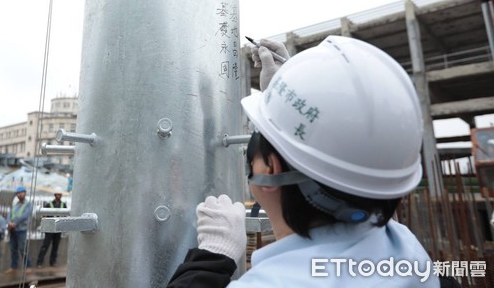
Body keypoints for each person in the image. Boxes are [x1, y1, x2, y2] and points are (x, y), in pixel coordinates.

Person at [168, 36, 444, 287]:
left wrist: (211, 258)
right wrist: (292, 91)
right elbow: (361, 159)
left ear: (270, 169)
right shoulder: (407, 250)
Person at [36, 186, 67, 267]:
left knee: (55, 246)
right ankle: (39, 262)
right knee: (45, 245)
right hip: (50, 228)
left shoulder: (63, 204)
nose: (59, 196)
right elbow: (44, 215)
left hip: (58, 228)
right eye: (58, 194)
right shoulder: (49, 204)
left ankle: (52, 262)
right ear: (55, 195)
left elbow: (65, 215)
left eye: (60, 194)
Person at [6, 185, 33, 272]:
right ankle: (13, 267)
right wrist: (9, 222)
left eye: (21, 193)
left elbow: (25, 216)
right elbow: (10, 214)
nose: (19, 195)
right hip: (13, 230)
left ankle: (28, 266)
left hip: (21, 230)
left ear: (25, 193)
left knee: (23, 248)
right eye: (18, 193)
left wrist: (15, 223)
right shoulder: (15, 204)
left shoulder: (28, 204)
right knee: (13, 249)